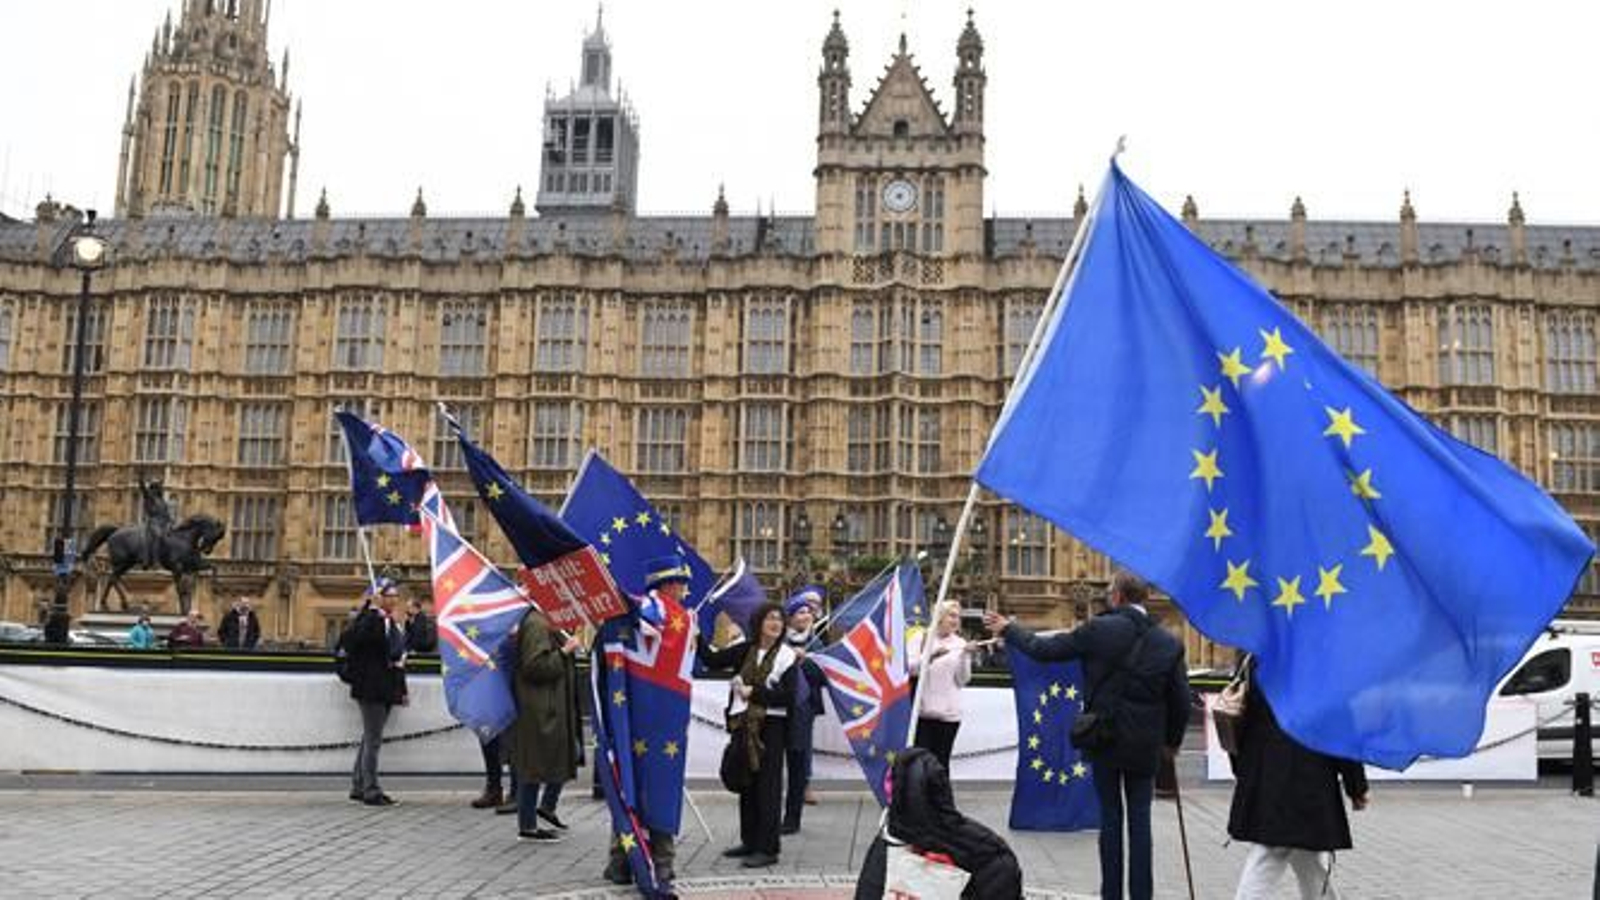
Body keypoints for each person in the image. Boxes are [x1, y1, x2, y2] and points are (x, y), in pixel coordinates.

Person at [984, 570, 1188, 900]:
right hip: (1145, 744)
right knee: (1140, 820)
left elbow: (1043, 649)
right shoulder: (1168, 641)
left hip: (1104, 737)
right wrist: (1171, 743)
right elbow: (1179, 700)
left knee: (1110, 818)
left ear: (1118, 596)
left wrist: (1009, 629)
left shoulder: (1099, 629)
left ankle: (1111, 894)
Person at [1228, 657, 1369, 899]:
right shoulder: (1325, 667)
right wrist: (1356, 786)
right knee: (1272, 853)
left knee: (1305, 854)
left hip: (1268, 774)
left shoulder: (1256, 659)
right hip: (1310, 775)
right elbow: (1342, 730)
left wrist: (1245, 771)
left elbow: (1240, 723)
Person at [603, 555, 695, 888]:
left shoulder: (633, 614)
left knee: (629, 780)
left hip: (633, 716)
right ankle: (662, 863)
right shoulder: (672, 615)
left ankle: (621, 860)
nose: (684, 590)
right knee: (662, 786)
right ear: (669, 584)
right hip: (668, 718)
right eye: (681, 584)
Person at [700, 601, 799, 869]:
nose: (776, 623)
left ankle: (768, 848)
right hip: (745, 725)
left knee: (768, 788)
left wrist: (754, 692)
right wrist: (694, 632)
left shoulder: (786, 657)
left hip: (772, 728)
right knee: (748, 784)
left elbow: (789, 698)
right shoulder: (746, 650)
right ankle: (750, 840)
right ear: (758, 623)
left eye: (779, 619)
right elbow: (712, 659)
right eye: (770, 618)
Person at [509, 607, 583, 842]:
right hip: (539, 708)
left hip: (549, 706)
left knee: (562, 755)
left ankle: (545, 809)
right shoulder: (537, 623)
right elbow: (534, 666)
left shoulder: (546, 621)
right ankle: (528, 825)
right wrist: (565, 651)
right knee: (533, 765)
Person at [344, 581, 408, 807]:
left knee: (369, 739)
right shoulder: (368, 619)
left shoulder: (392, 622)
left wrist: (401, 689)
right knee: (373, 741)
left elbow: (398, 658)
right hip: (371, 687)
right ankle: (371, 790)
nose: (395, 600)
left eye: (396, 596)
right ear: (380, 597)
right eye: (391, 596)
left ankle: (358, 785)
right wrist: (371, 610)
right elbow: (358, 639)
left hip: (387, 687)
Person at [781, 587, 827, 834]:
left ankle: (793, 814)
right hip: (779, 706)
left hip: (803, 706)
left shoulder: (816, 641)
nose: (806, 616)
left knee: (800, 754)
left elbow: (823, 675)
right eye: (800, 612)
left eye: (809, 612)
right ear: (790, 617)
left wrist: (806, 660)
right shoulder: (781, 639)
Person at [910, 599, 975, 772]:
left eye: (958, 617)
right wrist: (931, 657)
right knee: (920, 766)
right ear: (939, 616)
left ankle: (940, 799)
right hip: (922, 714)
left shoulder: (960, 643)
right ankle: (919, 799)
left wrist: (966, 656)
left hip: (949, 715)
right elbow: (910, 669)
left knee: (941, 766)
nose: (956, 620)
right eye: (952, 616)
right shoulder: (921, 637)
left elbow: (962, 680)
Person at [138, 476, 172, 568]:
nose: (158, 489)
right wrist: (141, 480)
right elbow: (143, 490)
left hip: (164, 523)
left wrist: (170, 522)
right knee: (158, 535)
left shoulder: (162, 501)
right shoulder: (150, 498)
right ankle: (155, 560)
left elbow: (167, 513)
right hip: (154, 522)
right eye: (156, 487)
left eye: (159, 487)